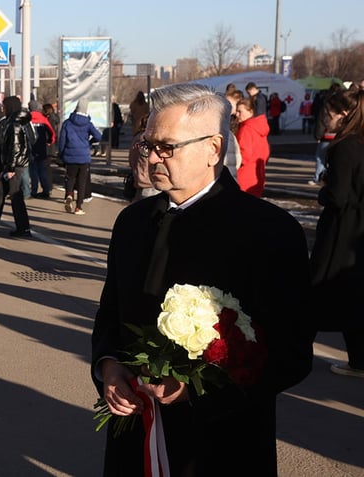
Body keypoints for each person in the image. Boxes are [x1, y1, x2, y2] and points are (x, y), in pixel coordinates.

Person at [91, 82, 313, 476]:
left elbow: (291, 353)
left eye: (167, 147)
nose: (153, 157)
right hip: (136, 436)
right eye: (148, 144)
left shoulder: (268, 231)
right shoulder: (132, 223)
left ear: (213, 148)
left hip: (221, 442)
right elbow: (111, 314)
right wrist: (108, 367)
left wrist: (199, 390)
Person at [309, 87, 364, 378]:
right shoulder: (359, 141)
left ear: (343, 115)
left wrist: (324, 193)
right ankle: (358, 359)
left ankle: (292, 353)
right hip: (357, 228)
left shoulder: (345, 146)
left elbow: (339, 195)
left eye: (328, 114)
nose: (325, 120)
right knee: (353, 295)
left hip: (342, 230)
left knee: (318, 289)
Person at [0, 96, 34, 237]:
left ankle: (23, 228)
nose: (3, 109)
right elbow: (31, 140)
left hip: (14, 165)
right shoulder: (22, 122)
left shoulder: (14, 124)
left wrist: (10, 168)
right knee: (1, 193)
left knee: (15, 196)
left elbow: (14, 148)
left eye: (4, 106)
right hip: (16, 164)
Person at [57, 101, 101, 215]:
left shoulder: (67, 123)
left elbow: (62, 140)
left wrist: (61, 154)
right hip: (84, 156)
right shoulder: (88, 124)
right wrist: (89, 142)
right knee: (82, 182)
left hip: (70, 156)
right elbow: (98, 136)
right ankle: (78, 207)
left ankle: (69, 194)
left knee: (70, 178)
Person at [234, 96, 271, 197]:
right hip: (258, 175)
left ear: (250, 112)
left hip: (244, 177)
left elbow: (243, 156)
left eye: (239, 111)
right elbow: (266, 152)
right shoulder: (260, 128)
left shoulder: (246, 129)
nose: (237, 115)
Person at [28, 100, 56, 199]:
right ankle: (46, 190)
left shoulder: (27, 118)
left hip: (30, 148)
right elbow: (51, 132)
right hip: (41, 148)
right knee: (42, 170)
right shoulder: (43, 119)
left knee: (33, 170)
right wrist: (50, 141)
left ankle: (33, 190)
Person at [127, 113, 156, 201]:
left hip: (138, 180)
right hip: (149, 183)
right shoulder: (147, 140)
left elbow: (131, 159)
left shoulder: (137, 137)